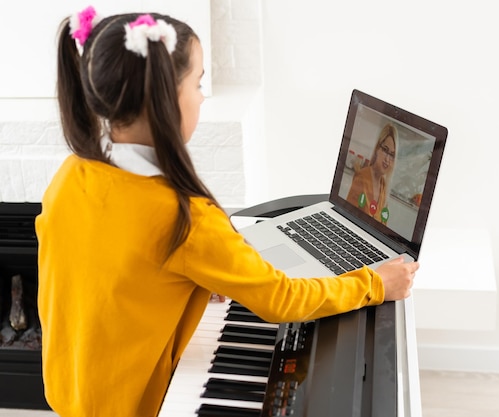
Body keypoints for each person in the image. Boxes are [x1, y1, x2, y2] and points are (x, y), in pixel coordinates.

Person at [35, 7, 419, 417]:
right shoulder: (184, 217)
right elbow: (281, 298)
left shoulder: (71, 174)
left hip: (69, 394)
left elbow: (111, 270)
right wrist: (375, 284)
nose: (201, 97)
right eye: (197, 84)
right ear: (168, 99)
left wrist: (197, 277)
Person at [346, 123, 398, 223]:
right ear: (378, 148)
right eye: (385, 150)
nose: (387, 159)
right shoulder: (362, 177)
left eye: (392, 155)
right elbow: (347, 216)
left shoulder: (383, 186)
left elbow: (383, 226)